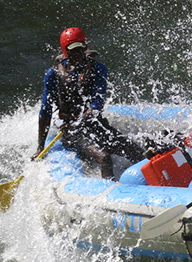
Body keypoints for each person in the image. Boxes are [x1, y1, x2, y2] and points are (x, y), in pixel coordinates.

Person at [35, 27, 144, 178]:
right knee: (104, 157)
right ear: (65, 51)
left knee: (135, 151)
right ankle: (110, 189)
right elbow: (45, 112)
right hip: (72, 132)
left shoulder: (98, 69)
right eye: (73, 50)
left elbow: (97, 102)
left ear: (85, 46)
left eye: (80, 48)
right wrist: (40, 147)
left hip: (95, 125)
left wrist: (87, 116)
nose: (78, 54)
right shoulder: (53, 74)